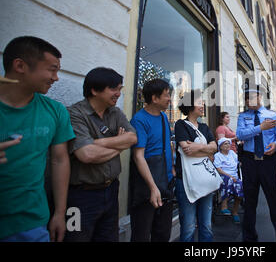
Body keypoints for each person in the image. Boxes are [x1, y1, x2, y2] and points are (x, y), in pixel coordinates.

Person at [0, 36, 75, 242]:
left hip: (33, 223)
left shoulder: (55, 111)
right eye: (52, 69)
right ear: (20, 66)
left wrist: (60, 213)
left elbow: (59, 160)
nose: (56, 78)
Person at [65, 67, 137, 242]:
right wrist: (119, 145)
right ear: (95, 90)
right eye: (114, 89)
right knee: (76, 238)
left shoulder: (115, 112)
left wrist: (98, 142)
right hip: (81, 196)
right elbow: (87, 155)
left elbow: (133, 138)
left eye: (120, 89)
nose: (118, 94)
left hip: (111, 190)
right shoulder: (74, 113)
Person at [236, 85, 276, 242]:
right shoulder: (243, 116)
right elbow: (240, 135)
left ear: (259, 97)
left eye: (250, 97)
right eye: (245, 98)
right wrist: (260, 127)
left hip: (268, 162)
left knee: (275, 202)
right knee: (250, 203)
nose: (247, 101)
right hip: (249, 162)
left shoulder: (272, 115)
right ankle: (249, 239)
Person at [129, 79, 175, 242]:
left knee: (162, 233)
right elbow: (138, 156)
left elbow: (167, 144)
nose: (170, 99)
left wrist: (172, 170)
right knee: (141, 233)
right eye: (167, 95)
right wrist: (153, 187)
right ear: (154, 98)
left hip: (166, 184)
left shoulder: (163, 117)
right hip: (148, 186)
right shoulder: (139, 120)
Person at [174, 89, 217, 242]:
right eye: (200, 102)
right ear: (190, 105)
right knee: (188, 227)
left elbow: (215, 148)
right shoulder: (181, 125)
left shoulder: (204, 127)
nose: (203, 105)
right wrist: (207, 150)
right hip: (186, 181)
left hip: (205, 179)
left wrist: (199, 148)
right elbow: (187, 150)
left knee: (206, 225)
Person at [213, 138, 243, 223]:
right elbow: (218, 169)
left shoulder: (232, 153)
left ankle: (235, 212)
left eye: (228, 143)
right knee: (227, 180)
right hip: (223, 176)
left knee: (240, 186)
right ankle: (224, 206)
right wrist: (229, 176)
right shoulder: (217, 155)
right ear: (220, 146)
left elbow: (239, 163)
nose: (228, 145)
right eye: (225, 144)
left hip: (234, 176)